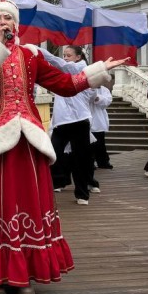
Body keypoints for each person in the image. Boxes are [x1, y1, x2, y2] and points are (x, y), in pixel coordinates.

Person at [0, 0, 124, 294]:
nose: (4, 22)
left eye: (9, 18)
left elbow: (65, 84)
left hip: (27, 139)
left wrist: (97, 72)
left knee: (27, 201)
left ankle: (23, 272)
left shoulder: (31, 55)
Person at [41, 46, 97, 204]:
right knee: (53, 154)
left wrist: (39, 51)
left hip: (79, 120)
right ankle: (55, 183)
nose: (65, 58)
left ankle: (82, 194)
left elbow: (64, 66)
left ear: (78, 57)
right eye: (64, 55)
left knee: (80, 158)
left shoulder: (81, 69)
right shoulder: (64, 73)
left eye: (68, 55)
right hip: (61, 122)